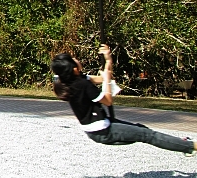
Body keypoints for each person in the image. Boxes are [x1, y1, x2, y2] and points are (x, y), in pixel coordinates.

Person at [51, 44, 194, 155]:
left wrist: (108, 59)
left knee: (142, 130)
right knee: (148, 135)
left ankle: (181, 144)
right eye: (73, 60)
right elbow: (107, 100)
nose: (76, 59)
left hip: (99, 126)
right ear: (74, 69)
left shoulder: (70, 81)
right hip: (102, 131)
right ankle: (189, 146)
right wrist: (106, 80)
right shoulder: (81, 85)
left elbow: (104, 77)